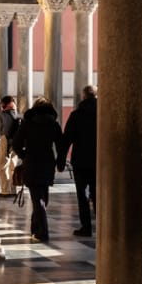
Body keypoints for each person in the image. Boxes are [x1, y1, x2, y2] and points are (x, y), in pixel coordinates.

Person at [14, 97, 63, 242]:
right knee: (42, 198)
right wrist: (59, 163)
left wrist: (24, 155)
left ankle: (42, 232)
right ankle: (36, 229)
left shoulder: (27, 123)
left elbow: (16, 143)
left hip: (32, 163)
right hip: (47, 163)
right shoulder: (53, 124)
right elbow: (61, 146)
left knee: (38, 199)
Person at [59, 85, 97, 237]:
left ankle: (86, 227)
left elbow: (67, 138)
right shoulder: (104, 113)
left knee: (82, 195)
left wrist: (60, 160)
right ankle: (103, 226)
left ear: (83, 97)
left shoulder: (76, 115)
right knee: (98, 194)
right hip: (99, 161)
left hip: (80, 161)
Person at [0, 95, 20, 198]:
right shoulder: (18, 115)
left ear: (4, 104)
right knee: (13, 166)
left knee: (2, 165)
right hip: (17, 142)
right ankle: (14, 190)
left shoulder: (2, 115)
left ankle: (5, 190)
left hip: (6, 140)